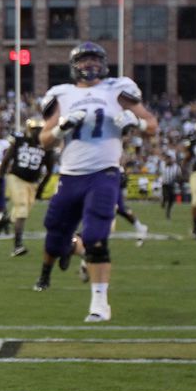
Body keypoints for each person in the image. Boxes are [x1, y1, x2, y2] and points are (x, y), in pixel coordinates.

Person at [32, 41, 158, 321]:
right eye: (83, 60)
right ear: (73, 66)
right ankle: (51, 268)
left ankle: (100, 303)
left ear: (103, 63)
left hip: (104, 172)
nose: (89, 65)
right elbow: (43, 139)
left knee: (96, 236)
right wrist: (61, 128)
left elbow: (151, 124)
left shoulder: (116, 88)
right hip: (70, 175)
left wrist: (134, 123)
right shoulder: (61, 94)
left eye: (94, 60)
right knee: (54, 238)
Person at [0, 117, 54, 256]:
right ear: (30, 130)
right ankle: (17, 246)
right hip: (16, 177)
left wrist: (41, 187)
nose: (38, 132)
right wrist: (0, 179)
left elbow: (49, 170)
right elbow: (6, 160)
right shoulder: (19, 140)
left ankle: (6, 219)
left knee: (23, 212)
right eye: (35, 130)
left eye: (40, 130)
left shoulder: (46, 146)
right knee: (22, 209)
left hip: (32, 182)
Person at [159, 151, 182, 220]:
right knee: (166, 196)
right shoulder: (162, 164)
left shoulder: (176, 167)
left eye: (169, 158)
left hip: (172, 185)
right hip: (165, 184)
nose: (168, 159)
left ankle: (168, 212)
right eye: (167, 158)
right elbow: (160, 173)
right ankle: (163, 200)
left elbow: (179, 176)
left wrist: (177, 180)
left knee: (172, 200)